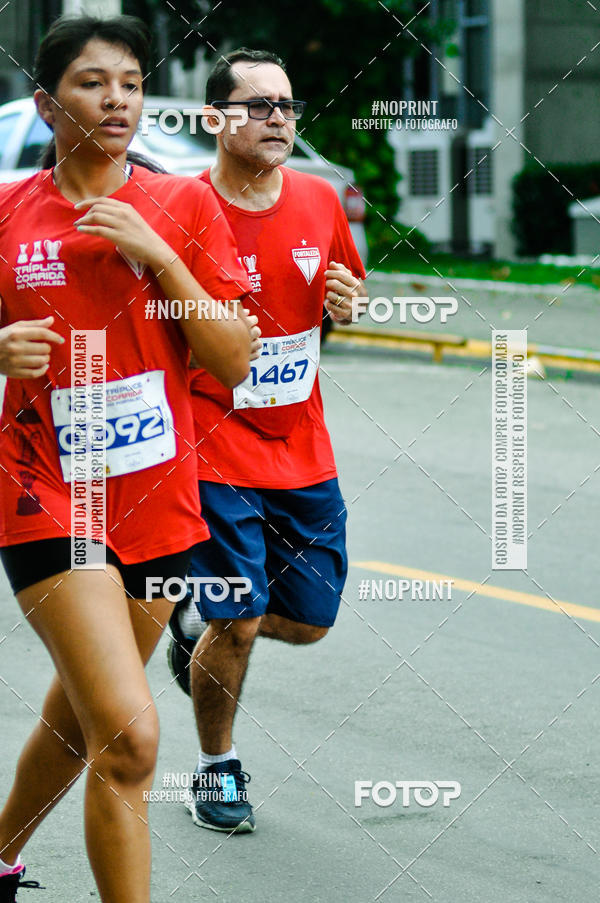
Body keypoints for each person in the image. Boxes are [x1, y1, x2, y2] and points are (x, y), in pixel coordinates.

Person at [0, 16, 260, 903]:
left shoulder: (183, 204)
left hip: (154, 501)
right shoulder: (8, 213)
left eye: (131, 82)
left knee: (83, 719)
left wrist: (161, 260)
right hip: (41, 491)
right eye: (91, 82)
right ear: (46, 102)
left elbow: (233, 360)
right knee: (133, 739)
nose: (117, 98)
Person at [167, 48, 366, 834]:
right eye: (257, 104)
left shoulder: (319, 200)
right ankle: (216, 769)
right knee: (240, 615)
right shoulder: (180, 207)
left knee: (312, 618)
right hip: (210, 443)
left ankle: (193, 629)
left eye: (285, 104)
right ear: (215, 118)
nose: (278, 116)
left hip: (300, 445)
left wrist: (342, 307)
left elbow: (329, 313)